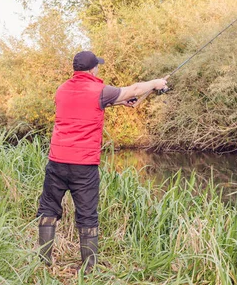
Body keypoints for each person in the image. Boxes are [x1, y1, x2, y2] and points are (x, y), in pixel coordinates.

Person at [36, 50, 168, 273]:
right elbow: (133, 90)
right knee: (87, 214)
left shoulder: (62, 90)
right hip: (83, 165)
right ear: (92, 69)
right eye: (97, 66)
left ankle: (43, 262)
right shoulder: (99, 90)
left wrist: (119, 102)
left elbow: (85, 105)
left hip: (57, 161)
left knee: (48, 208)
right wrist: (155, 83)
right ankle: (88, 268)